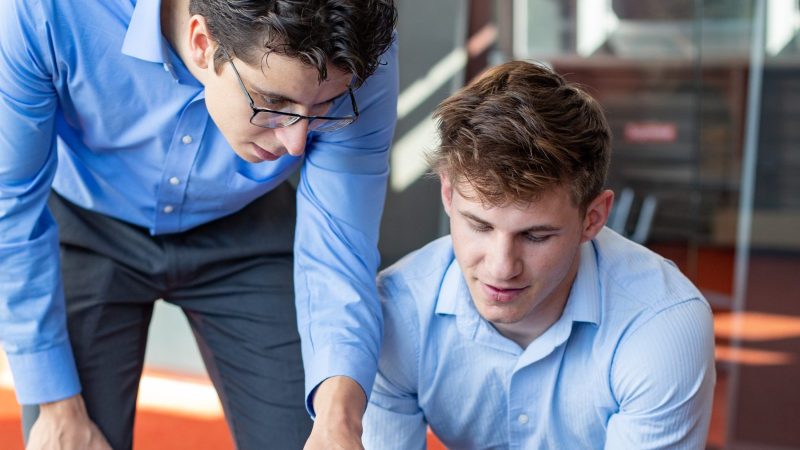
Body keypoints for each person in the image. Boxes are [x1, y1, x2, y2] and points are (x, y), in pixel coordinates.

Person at [0, 0, 397, 448]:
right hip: (86, 220)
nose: (296, 144)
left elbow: (340, 240)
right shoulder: (46, 10)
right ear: (202, 43)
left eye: (323, 107)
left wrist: (338, 420)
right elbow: (10, 202)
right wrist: (55, 405)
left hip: (250, 223)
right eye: (272, 102)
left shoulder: (361, 47)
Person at [361, 61, 716, 449]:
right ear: (448, 195)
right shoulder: (396, 312)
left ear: (592, 219)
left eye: (535, 236)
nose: (501, 267)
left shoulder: (660, 323)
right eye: (479, 226)